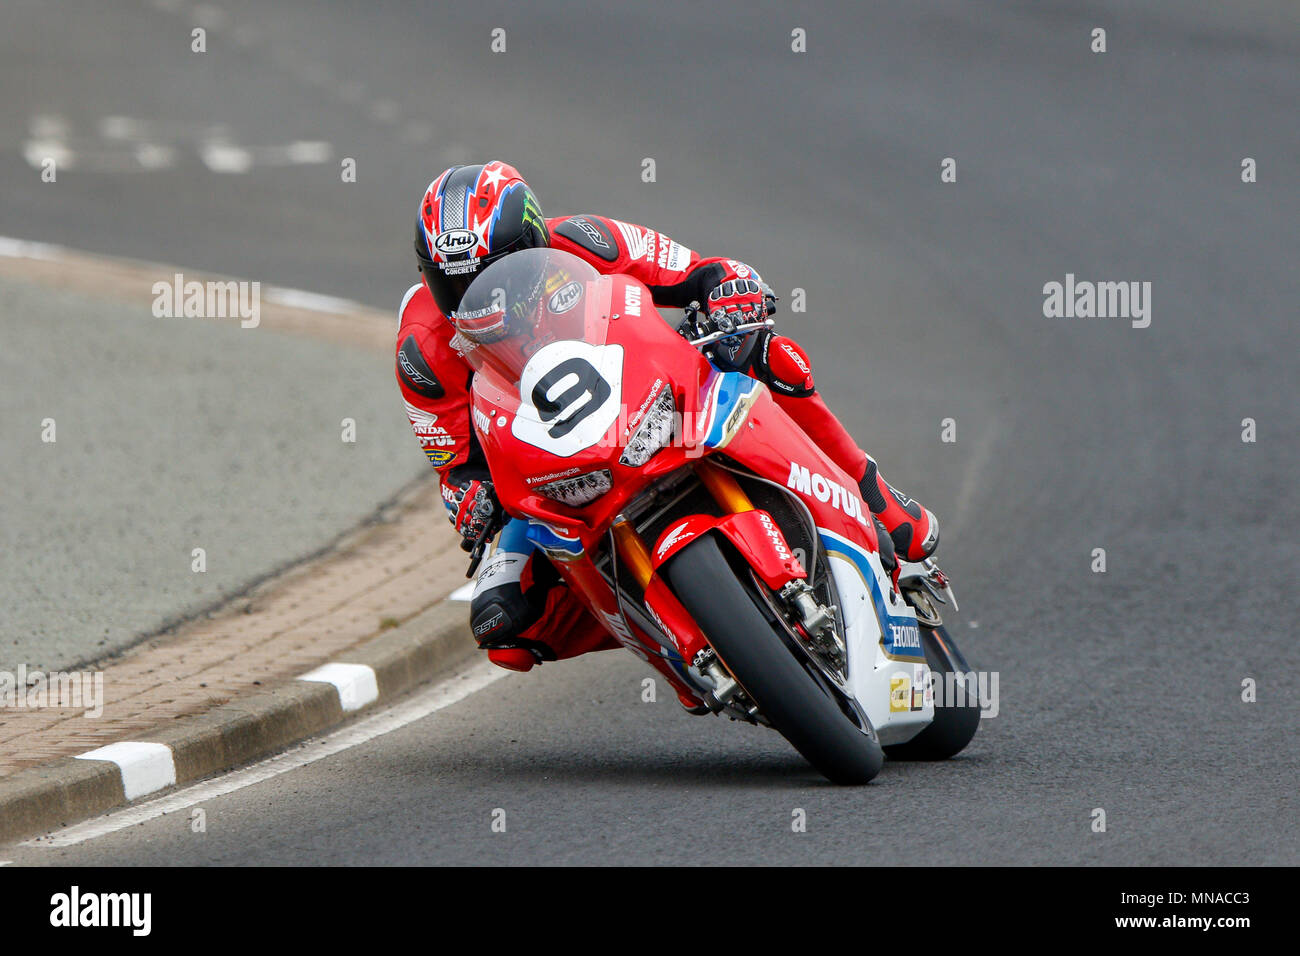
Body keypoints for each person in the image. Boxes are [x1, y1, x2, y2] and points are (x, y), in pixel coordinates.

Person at [396, 161, 938, 691]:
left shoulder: (586, 240)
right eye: (455, 283)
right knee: (504, 623)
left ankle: (877, 498)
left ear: (534, 243)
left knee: (763, 351)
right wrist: (470, 500)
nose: (482, 299)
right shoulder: (421, 348)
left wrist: (731, 288)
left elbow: (696, 272)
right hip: (554, 469)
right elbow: (454, 464)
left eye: (495, 274)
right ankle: (685, 640)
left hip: (660, 403)